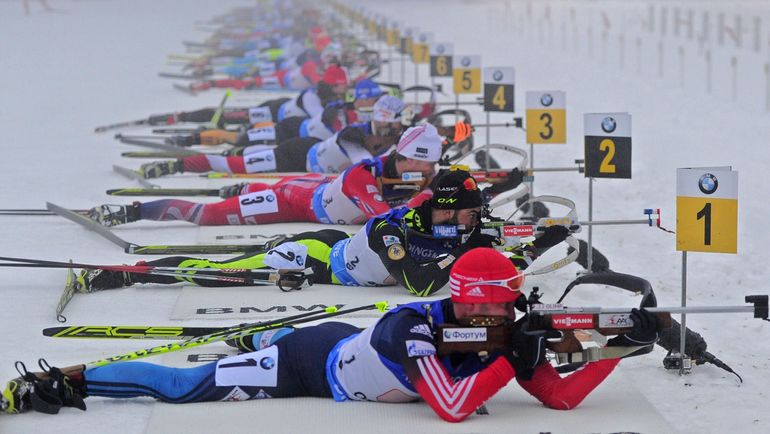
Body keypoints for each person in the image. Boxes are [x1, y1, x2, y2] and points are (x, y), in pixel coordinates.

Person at [1, 248, 663, 421]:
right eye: (508, 308)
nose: (516, 319)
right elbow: (454, 406)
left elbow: (563, 398)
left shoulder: (493, 335)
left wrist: (623, 344)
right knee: (183, 388)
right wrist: (507, 361)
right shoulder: (417, 332)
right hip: (307, 365)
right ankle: (63, 380)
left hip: (349, 342)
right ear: (478, 307)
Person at [73, 169, 545, 297]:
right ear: (447, 211)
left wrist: (543, 240)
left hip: (338, 249)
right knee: (220, 273)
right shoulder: (392, 229)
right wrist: (473, 249)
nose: (474, 220)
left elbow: (494, 251)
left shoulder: (447, 221)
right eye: (468, 213)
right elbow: (421, 283)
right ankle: (126, 274)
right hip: (315, 261)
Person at [87, 124, 444, 227]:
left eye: (431, 170)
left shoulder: (405, 171)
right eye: (423, 167)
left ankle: (246, 189)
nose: (427, 174)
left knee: (257, 185)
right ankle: (134, 211)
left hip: (317, 186)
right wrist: (427, 196)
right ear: (403, 157)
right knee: (210, 216)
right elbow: (386, 218)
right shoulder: (362, 175)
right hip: (296, 202)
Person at [137, 94, 410, 178]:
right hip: (297, 149)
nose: (388, 129)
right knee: (237, 156)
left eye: (391, 124)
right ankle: (177, 162)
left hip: (310, 170)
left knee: (240, 150)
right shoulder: (354, 132)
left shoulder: (393, 141)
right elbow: (365, 167)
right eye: (384, 122)